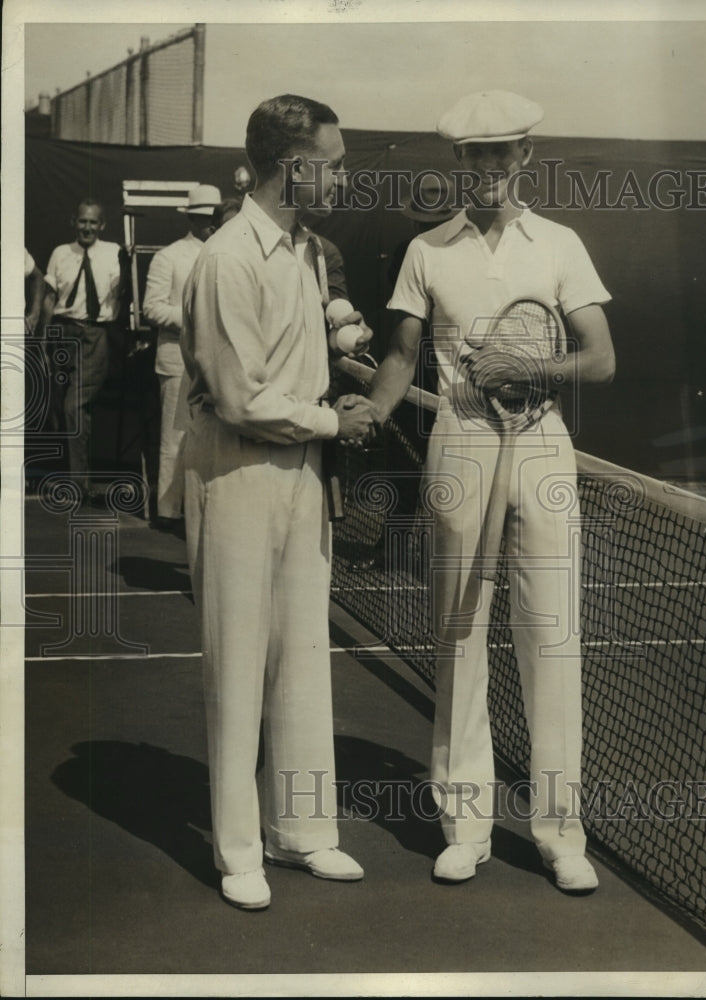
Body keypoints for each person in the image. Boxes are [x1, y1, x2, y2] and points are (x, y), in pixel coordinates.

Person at [366, 90, 615, 892]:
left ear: (524, 159)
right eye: (473, 155)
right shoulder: (426, 250)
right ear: (459, 164)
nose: (486, 168)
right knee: (456, 634)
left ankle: (558, 833)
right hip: (460, 446)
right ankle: (463, 826)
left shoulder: (562, 244)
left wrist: (532, 370)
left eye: (500, 153)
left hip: (542, 447)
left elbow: (600, 358)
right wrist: (366, 410)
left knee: (551, 635)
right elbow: (400, 358)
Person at [180, 93, 373, 910]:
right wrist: (335, 419)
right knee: (240, 661)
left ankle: (300, 833)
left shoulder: (305, 252)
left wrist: (347, 395)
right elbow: (237, 399)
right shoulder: (227, 258)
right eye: (332, 164)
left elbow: (295, 370)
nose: (341, 178)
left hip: (301, 473)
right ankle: (237, 850)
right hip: (237, 477)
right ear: (294, 167)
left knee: (300, 655)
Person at [142, 184, 221, 530]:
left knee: (210, 436)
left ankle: (199, 510)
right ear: (190, 217)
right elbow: (152, 308)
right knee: (175, 436)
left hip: (217, 362)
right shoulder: (169, 256)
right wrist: (194, 318)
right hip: (177, 359)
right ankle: (169, 511)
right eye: (203, 218)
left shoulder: (227, 253)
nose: (209, 224)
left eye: (213, 218)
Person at [40, 198, 127, 499]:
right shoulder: (60, 253)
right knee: (66, 409)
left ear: (101, 225)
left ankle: (78, 484)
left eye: (93, 222)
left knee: (74, 407)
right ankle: (79, 478)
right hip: (62, 333)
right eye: (82, 221)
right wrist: (44, 338)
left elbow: (124, 294)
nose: (87, 227)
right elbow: (50, 298)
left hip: (94, 335)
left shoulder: (115, 252)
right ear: (74, 222)